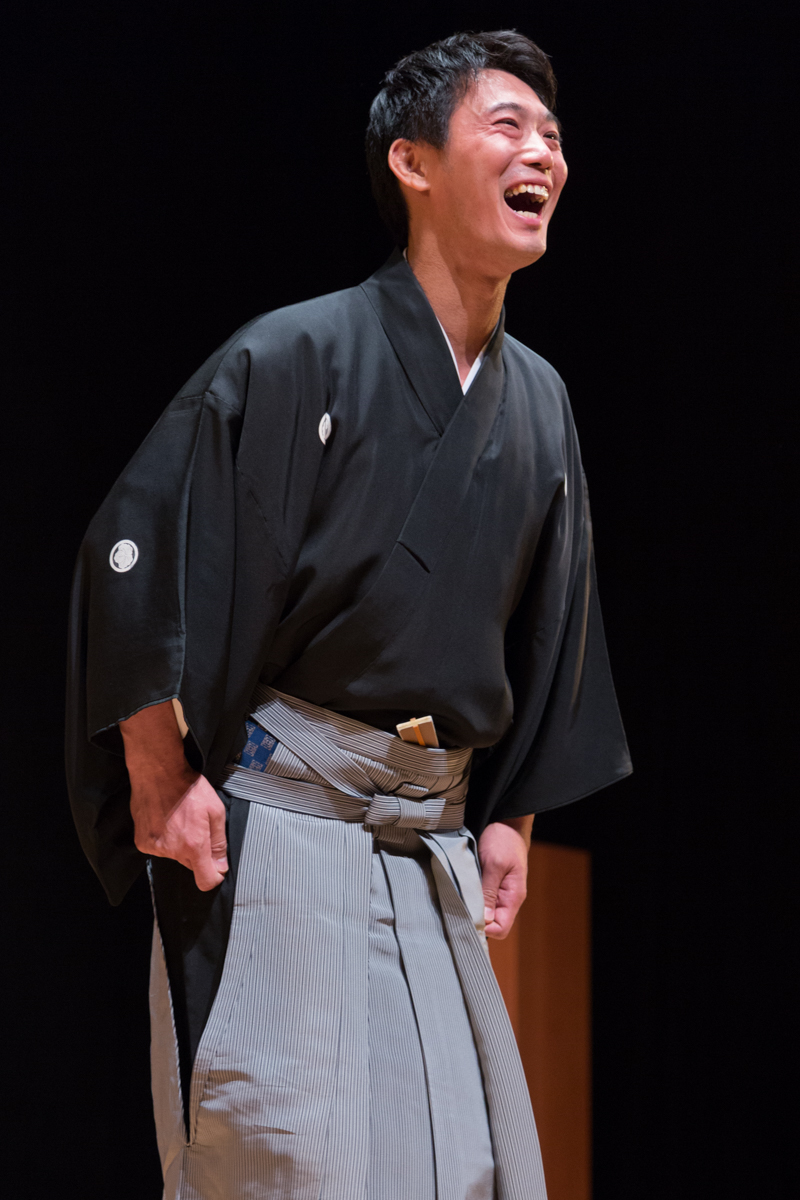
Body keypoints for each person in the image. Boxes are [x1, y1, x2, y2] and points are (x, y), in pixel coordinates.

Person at [66, 29, 631, 1200]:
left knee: (457, 1170)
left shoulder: (538, 403)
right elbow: (131, 550)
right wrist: (157, 770)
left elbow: (551, 621)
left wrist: (512, 815)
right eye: (507, 126)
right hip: (285, 816)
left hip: (431, 838)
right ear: (411, 163)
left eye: (553, 135)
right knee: (283, 1159)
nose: (543, 153)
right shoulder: (299, 352)